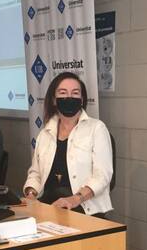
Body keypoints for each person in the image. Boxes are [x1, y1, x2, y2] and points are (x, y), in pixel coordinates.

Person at [23, 72, 113, 217]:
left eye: (75, 93)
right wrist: (31, 194)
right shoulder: (45, 133)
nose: (69, 97)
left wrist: (75, 199)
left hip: (83, 208)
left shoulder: (97, 129)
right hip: (48, 206)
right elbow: (36, 173)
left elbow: (102, 176)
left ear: (82, 100)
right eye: (63, 93)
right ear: (54, 100)